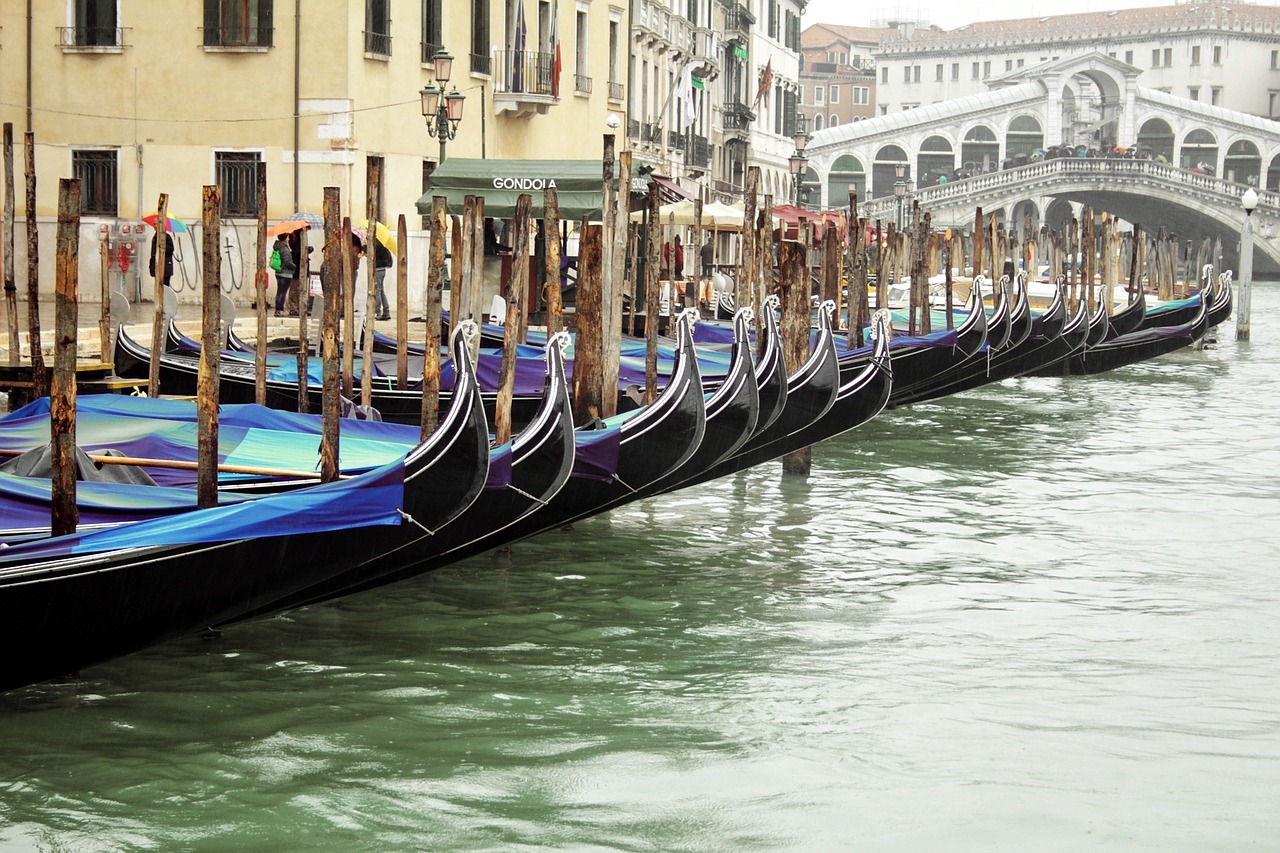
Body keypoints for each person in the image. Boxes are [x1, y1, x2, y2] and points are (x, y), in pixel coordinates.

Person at [271, 232, 296, 316]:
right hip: (285, 273)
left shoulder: (279, 247)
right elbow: (287, 261)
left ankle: (278, 309)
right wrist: (294, 266)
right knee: (282, 292)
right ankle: (280, 310)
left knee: (280, 291)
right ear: (285, 238)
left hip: (279, 273)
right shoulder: (284, 248)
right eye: (288, 237)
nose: (289, 239)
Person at [373, 238, 393, 321]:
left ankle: (378, 312)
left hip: (377, 269)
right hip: (382, 270)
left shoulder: (376, 245)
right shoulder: (382, 245)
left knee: (377, 290)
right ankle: (386, 311)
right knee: (381, 290)